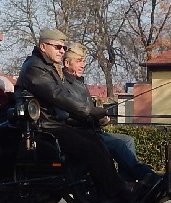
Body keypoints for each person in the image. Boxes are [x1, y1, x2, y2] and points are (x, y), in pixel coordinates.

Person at [15, 28, 132, 202]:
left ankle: (109, 191)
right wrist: (89, 110)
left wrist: (91, 112)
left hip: (52, 125)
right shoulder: (34, 67)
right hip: (42, 128)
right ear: (43, 46)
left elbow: (63, 96)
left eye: (63, 47)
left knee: (96, 140)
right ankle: (116, 194)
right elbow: (58, 95)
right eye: (58, 47)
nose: (62, 51)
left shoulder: (47, 67)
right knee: (90, 147)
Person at [61, 44, 156, 183]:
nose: (83, 65)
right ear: (67, 63)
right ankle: (146, 176)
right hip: (82, 134)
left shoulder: (79, 83)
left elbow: (89, 109)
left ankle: (126, 183)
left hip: (93, 130)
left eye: (84, 61)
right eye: (79, 61)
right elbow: (70, 115)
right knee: (119, 144)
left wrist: (101, 119)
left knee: (128, 140)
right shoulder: (63, 86)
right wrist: (95, 118)